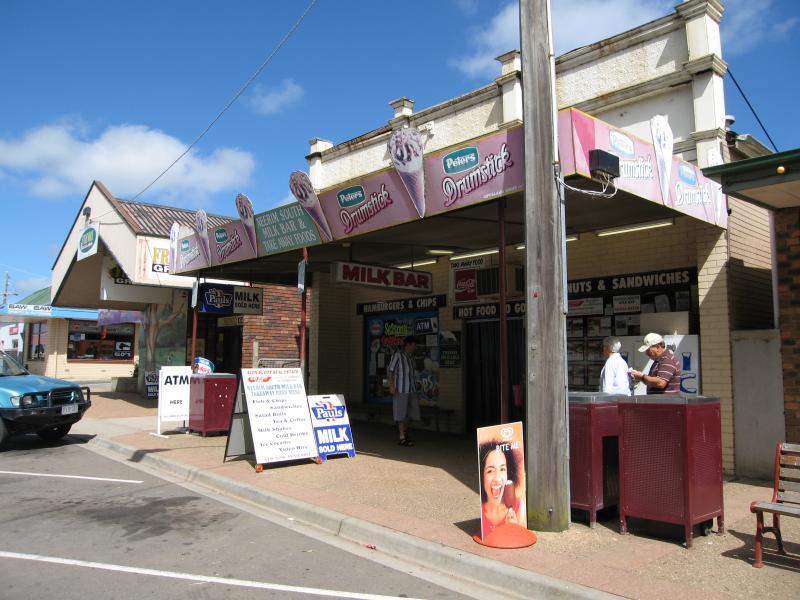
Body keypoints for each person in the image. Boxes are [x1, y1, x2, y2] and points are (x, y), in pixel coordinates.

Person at [479, 441, 521, 537]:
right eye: (490, 471)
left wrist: (513, 529)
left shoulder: (519, 508)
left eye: (502, 469)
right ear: (482, 475)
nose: (498, 479)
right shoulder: (481, 510)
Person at [387, 336, 420, 446]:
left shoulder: (411, 358)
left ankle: (405, 433)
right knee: (401, 413)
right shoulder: (397, 355)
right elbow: (390, 370)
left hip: (411, 389)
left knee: (411, 413)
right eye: (414, 345)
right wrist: (391, 385)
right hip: (400, 389)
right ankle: (402, 436)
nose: (415, 347)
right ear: (408, 345)